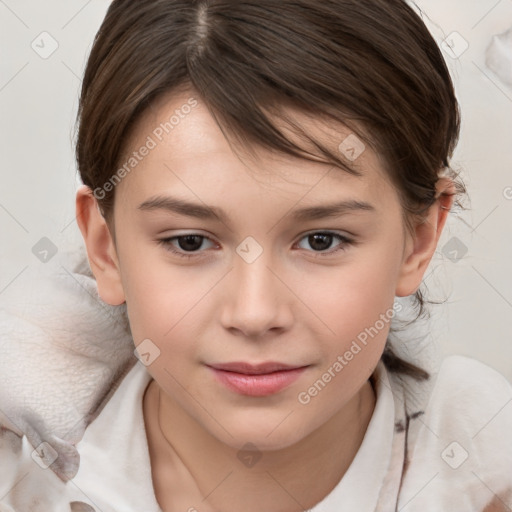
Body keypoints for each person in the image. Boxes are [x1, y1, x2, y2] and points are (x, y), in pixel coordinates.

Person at [1, 0, 511, 511]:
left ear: (418, 239)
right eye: (190, 242)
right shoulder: (23, 483)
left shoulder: (485, 473)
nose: (255, 313)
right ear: (104, 249)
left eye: (321, 240)